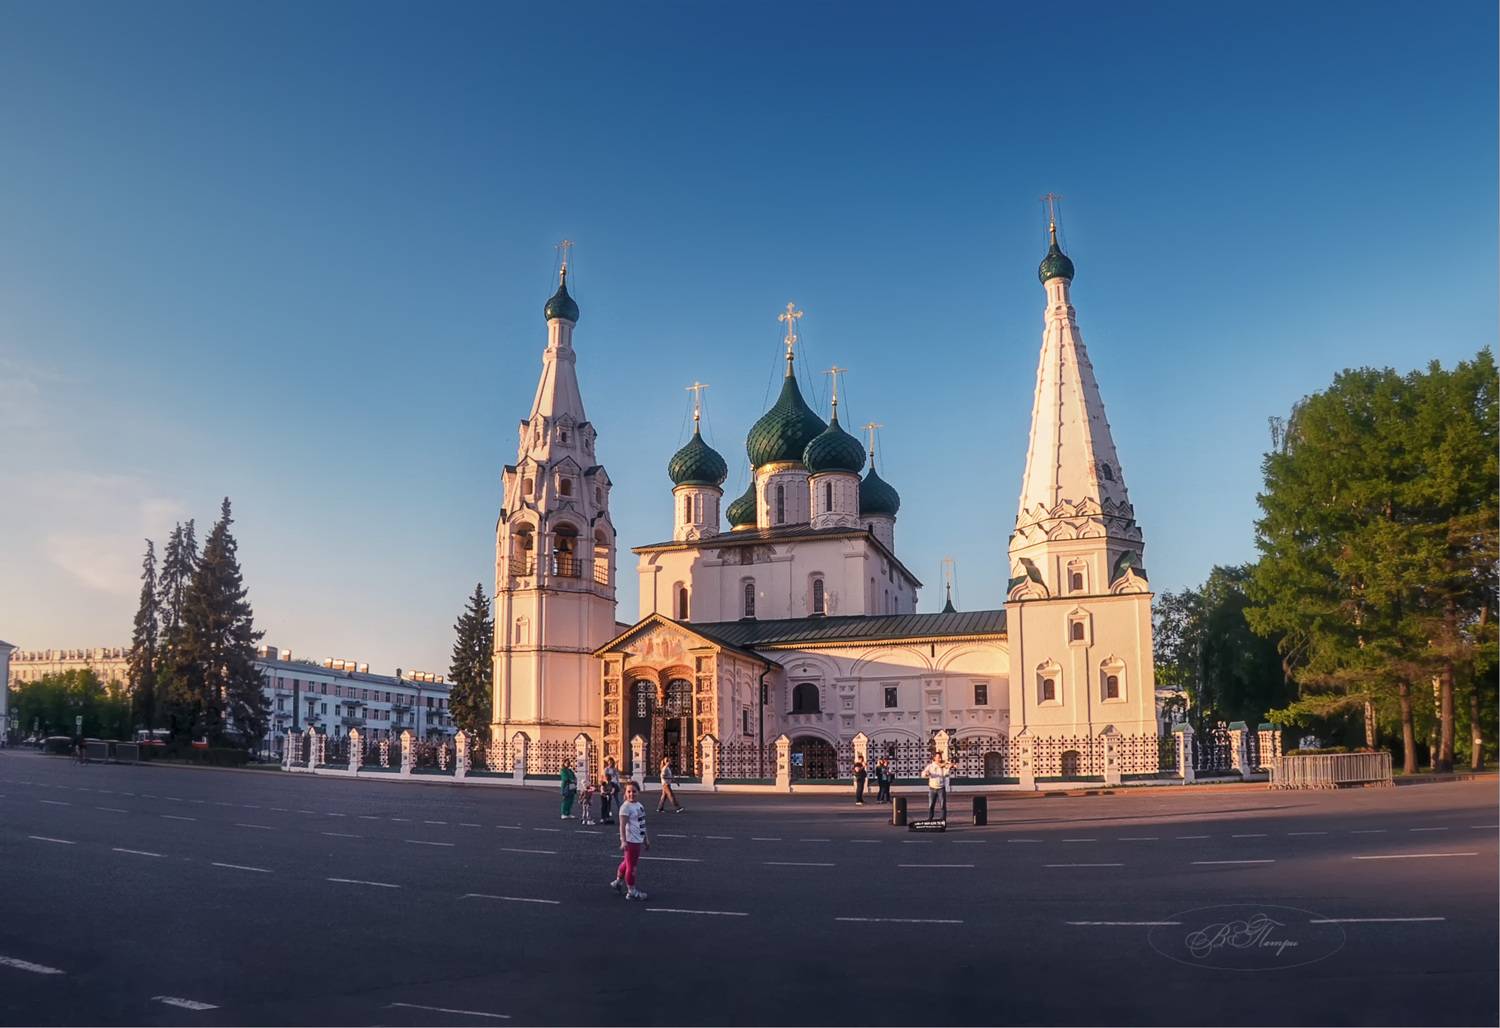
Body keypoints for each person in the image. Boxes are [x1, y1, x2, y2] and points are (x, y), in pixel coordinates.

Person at [610, 780, 650, 900]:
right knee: (632, 866)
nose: (631, 794)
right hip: (631, 841)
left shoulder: (639, 805)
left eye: (634, 791)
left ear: (638, 792)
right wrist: (623, 841)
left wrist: (646, 839)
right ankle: (631, 891)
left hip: (638, 839)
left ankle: (618, 881)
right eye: (629, 791)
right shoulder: (625, 807)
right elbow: (622, 826)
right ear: (625, 793)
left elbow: (642, 823)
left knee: (627, 862)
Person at [923, 754, 947, 821]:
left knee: (942, 805)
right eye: (938, 757)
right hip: (932, 788)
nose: (939, 759)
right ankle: (930, 818)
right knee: (931, 805)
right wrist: (926, 774)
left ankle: (943, 819)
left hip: (941, 788)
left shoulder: (943, 766)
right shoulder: (930, 766)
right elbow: (923, 774)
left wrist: (946, 767)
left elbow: (946, 774)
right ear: (934, 758)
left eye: (940, 757)